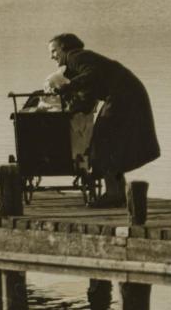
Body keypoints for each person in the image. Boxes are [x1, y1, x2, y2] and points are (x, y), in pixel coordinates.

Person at [46, 33, 161, 208]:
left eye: (54, 51)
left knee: (103, 140)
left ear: (63, 48)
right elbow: (90, 89)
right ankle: (117, 193)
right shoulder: (82, 58)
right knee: (110, 142)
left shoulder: (75, 56)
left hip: (122, 96)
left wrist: (68, 86)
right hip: (127, 94)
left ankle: (113, 194)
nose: (51, 56)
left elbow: (92, 74)